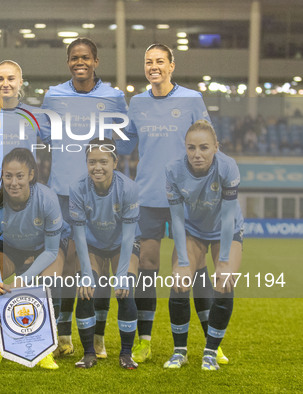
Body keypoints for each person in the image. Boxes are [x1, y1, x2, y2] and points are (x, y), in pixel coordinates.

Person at [116, 43, 228, 365]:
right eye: (149, 61)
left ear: (171, 65)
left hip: (188, 199)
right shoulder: (136, 102)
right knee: (148, 267)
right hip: (148, 197)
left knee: (194, 269)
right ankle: (145, 341)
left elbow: (209, 144)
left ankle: (212, 343)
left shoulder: (192, 99)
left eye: (160, 61)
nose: (154, 67)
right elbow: (127, 144)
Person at [41, 37, 128, 358]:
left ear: (96, 62)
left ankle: (98, 337)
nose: (80, 62)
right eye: (75, 57)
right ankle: (62, 337)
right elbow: (42, 137)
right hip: (61, 196)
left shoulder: (114, 98)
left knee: (95, 270)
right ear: (68, 62)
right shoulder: (53, 96)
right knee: (61, 271)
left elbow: (127, 142)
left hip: (98, 199)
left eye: (86, 57)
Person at [0, 148, 63, 370]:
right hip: (10, 248)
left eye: (19, 176)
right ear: (1, 175)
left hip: (43, 249)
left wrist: (23, 280)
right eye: (8, 176)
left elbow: (52, 251)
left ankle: (46, 348)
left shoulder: (47, 198)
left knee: (52, 283)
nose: (13, 182)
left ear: (31, 175)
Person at [164, 120, 243, 371]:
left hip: (225, 230)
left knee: (224, 283)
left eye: (204, 148)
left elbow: (229, 217)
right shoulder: (174, 170)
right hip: (193, 230)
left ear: (216, 148)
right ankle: (180, 352)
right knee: (180, 281)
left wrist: (223, 262)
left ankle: (210, 352)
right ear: (185, 149)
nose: (197, 154)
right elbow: (176, 218)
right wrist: (183, 264)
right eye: (191, 148)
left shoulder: (228, 167)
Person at [68, 138, 139, 369]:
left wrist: (121, 275)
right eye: (92, 162)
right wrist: (86, 274)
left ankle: (126, 354)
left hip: (122, 244)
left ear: (115, 162)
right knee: (86, 290)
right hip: (92, 244)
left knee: (125, 289)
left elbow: (129, 236)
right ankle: (89, 354)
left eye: (103, 161)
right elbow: (78, 234)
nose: (97, 167)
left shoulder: (128, 188)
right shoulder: (77, 187)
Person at [0, 60, 51, 210]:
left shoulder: (35, 115)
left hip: (25, 198)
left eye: (11, 79)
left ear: (20, 82)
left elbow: (60, 147)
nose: (5, 83)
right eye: (0, 79)